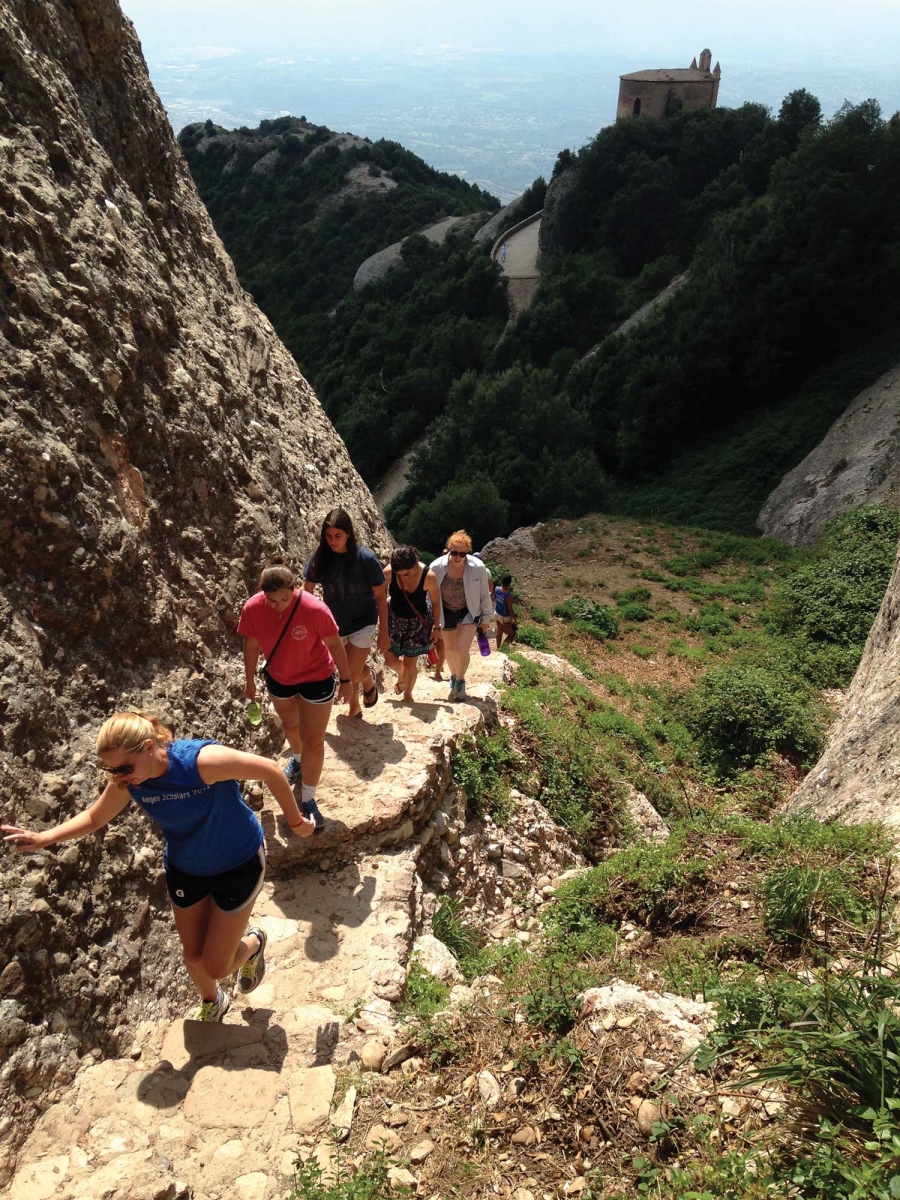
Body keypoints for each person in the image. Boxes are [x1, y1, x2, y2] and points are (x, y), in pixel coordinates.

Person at [1, 710, 316, 1022]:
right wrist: (44, 838)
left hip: (239, 862)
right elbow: (96, 817)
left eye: (124, 767)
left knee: (216, 966)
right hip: (187, 869)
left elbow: (271, 770)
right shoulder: (129, 780)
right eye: (111, 771)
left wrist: (295, 821)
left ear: (150, 747)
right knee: (194, 958)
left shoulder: (200, 762)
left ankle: (254, 942)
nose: (119, 776)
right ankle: (214, 1002)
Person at [239, 558, 353, 832]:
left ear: (295, 588)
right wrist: (249, 680)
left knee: (314, 740)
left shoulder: (314, 608)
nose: (278, 605)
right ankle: (299, 761)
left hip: (316, 677)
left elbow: (335, 644)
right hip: (280, 678)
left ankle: (309, 799)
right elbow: (251, 643)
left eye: (283, 599)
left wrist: (347, 680)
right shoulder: (253, 608)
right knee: (290, 726)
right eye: (272, 601)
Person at [303, 508, 388, 719]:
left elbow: (380, 596)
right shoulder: (320, 558)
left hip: (364, 621)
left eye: (338, 536)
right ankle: (367, 678)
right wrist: (313, 623)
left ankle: (354, 707)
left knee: (349, 671)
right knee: (347, 670)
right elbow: (308, 591)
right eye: (329, 536)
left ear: (348, 533)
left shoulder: (365, 558)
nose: (333, 541)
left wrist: (384, 632)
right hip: (335, 623)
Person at [430, 531, 494, 702]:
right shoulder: (436, 567)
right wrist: (431, 621)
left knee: (461, 649)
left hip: (469, 611)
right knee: (449, 650)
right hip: (446, 612)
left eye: (462, 554)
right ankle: (453, 676)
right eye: (454, 552)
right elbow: (430, 596)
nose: (458, 557)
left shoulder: (478, 568)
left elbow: (484, 595)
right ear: (449, 550)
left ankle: (460, 681)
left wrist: (486, 619)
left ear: (468, 553)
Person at [383, 545, 442, 702]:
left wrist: (436, 627)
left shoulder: (428, 576)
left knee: (411, 662)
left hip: (417, 622)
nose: (403, 578)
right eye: (399, 575)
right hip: (394, 619)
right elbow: (378, 596)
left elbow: (436, 602)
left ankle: (407, 696)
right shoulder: (388, 573)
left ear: (416, 563)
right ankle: (401, 672)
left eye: (407, 573)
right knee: (389, 660)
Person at [494, 573, 517, 649]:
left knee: (499, 632)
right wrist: (515, 620)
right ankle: (503, 649)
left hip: (497, 613)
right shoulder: (508, 596)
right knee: (511, 634)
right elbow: (510, 610)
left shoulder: (496, 588)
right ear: (509, 584)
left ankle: (498, 648)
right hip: (505, 617)